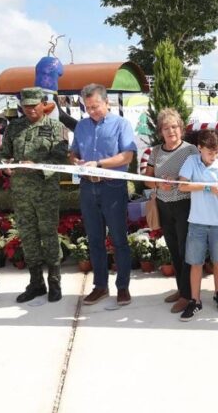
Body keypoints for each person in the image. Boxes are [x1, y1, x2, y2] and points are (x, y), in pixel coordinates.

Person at [70, 83, 137, 307]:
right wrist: (76, 161)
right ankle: (100, 286)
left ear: (107, 102)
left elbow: (127, 156)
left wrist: (98, 164)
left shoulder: (122, 125)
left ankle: (123, 287)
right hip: (88, 188)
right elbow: (73, 152)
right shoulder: (81, 127)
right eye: (88, 107)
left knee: (119, 239)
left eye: (95, 106)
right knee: (95, 239)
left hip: (113, 188)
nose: (92, 111)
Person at [0, 88, 69, 303]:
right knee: (28, 236)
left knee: (48, 235)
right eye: (26, 106)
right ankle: (36, 282)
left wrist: (37, 166)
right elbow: (3, 155)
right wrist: (6, 166)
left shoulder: (57, 128)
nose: (30, 109)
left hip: (45, 191)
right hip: (21, 193)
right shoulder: (14, 128)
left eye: (34, 105)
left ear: (44, 103)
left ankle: (55, 282)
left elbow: (61, 161)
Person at [145, 108, 199, 314]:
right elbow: (147, 179)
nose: (171, 131)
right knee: (173, 249)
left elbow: (199, 176)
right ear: (160, 131)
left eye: (174, 126)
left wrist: (178, 183)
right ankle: (181, 289)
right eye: (166, 128)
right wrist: (159, 185)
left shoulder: (191, 150)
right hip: (163, 207)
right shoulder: (155, 152)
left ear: (181, 128)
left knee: (186, 250)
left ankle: (188, 295)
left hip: (185, 205)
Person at [177, 130, 218, 322]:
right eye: (210, 152)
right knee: (195, 262)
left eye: (217, 152)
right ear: (199, 148)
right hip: (197, 222)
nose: (214, 156)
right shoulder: (192, 162)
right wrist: (208, 187)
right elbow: (182, 186)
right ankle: (195, 300)